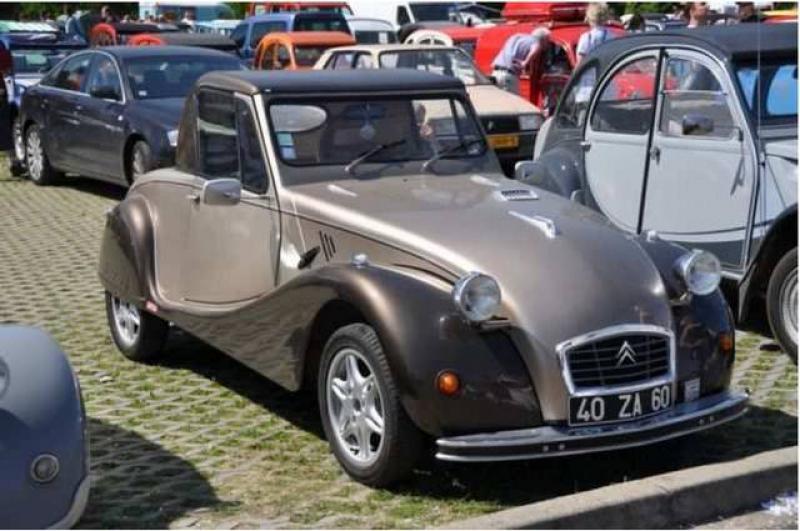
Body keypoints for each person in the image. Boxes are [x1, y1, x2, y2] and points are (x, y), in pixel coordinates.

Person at [490, 27, 550, 95]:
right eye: (548, 41)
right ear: (544, 39)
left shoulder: (517, 36)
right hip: (509, 76)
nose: (547, 44)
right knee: (513, 103)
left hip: (495, 73)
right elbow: (536, 48)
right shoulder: (536, 43)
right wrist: (525, 62)